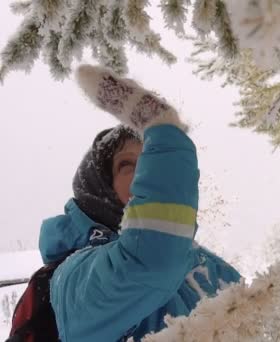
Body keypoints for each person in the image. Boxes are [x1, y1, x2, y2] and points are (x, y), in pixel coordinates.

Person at [39, 65, 241, 341]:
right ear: (100, 190)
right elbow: (151, 261)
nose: (147, 170)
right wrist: (164, 132)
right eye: (127, 165)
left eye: (149, 159)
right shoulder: (72, 277)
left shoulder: (208, 264)